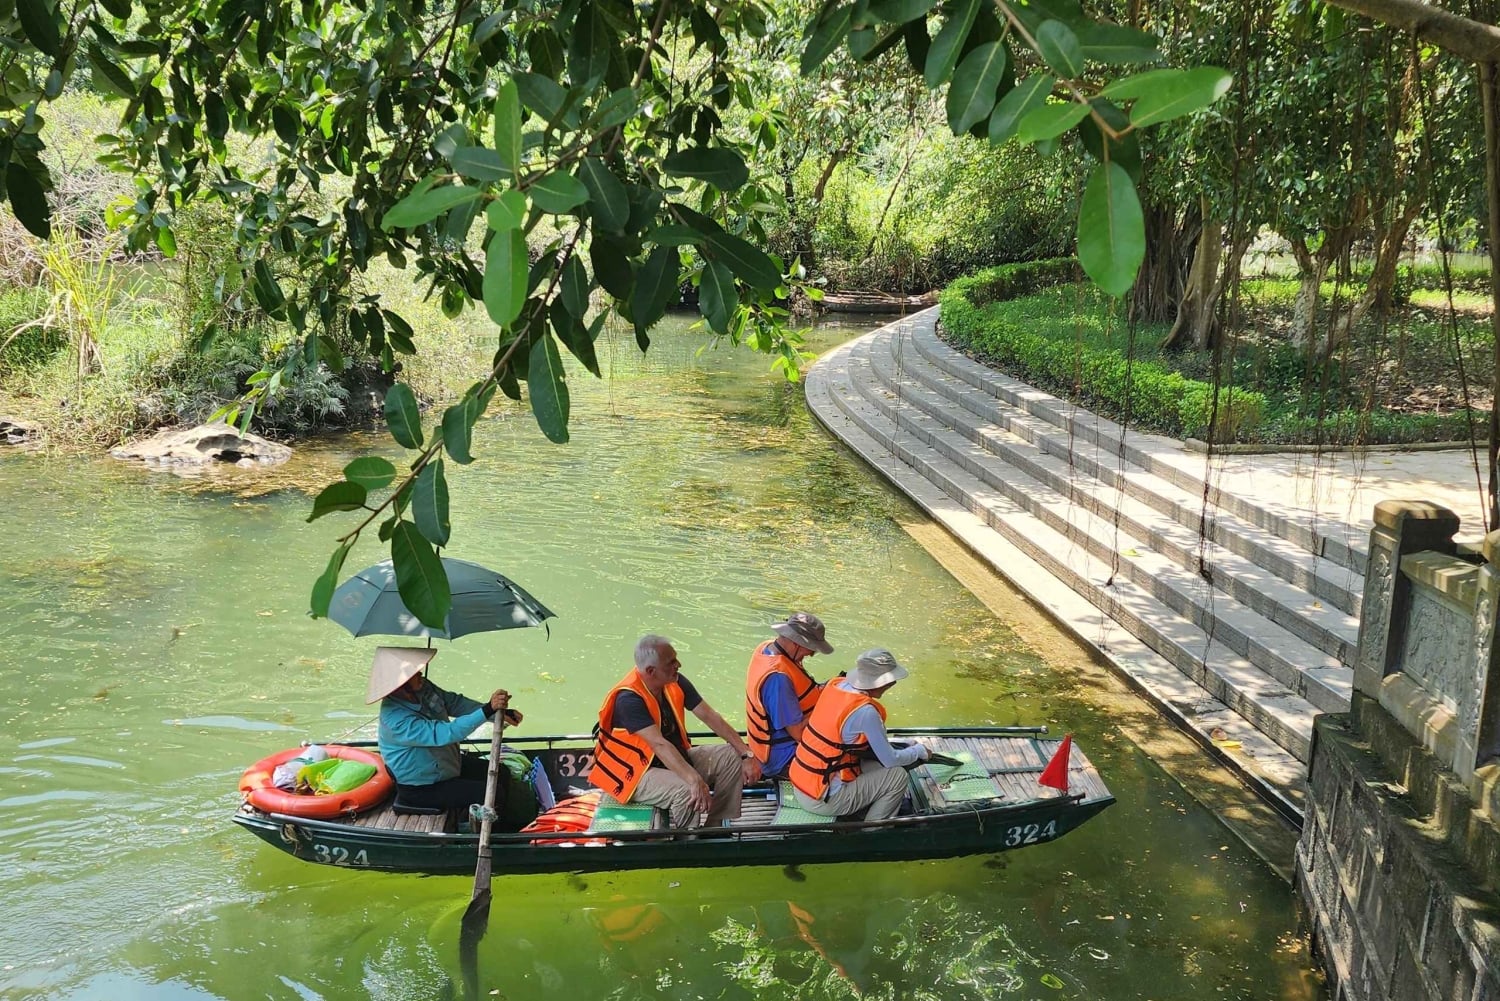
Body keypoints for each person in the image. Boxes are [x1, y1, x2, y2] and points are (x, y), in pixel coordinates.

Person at [588, 634, 762, 828]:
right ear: (651, 671)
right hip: (635, 774)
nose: (678, 665)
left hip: (670, 760)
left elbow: (709, 715)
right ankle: (689, 839)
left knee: (732, 754)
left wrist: (746, 753)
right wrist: (694, 779)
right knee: (687, 788)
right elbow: (659, 744)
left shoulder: (674, 681)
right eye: (671, 663)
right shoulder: (629, 700)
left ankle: (714, 827)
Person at [367, 645, 523, 815]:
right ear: (400, 683)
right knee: (494, 794)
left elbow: (454, 703)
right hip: (423, 786)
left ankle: (504, 821)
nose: (420, 673)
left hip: (448, 763)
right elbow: (446, 733)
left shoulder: (422, 687)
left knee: (503, 773)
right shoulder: (396, 720)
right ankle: (493, 834)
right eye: (413, 673)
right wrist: (487, 710)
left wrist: (495, 713)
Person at [787, 648, 928, 821]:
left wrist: (903, 742)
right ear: (880, 682)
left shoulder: (837, 687)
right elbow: (890, 759)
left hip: (803, 786)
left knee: (878, 767)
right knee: (897, 776)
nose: (893, 685)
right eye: (891, 680)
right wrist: (919, 751)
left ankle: (866, 809)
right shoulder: (865, 711)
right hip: (823, 799)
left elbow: (842, 740)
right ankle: (873, 829)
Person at [744, 611, 832, 778]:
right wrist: (830, 706)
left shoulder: (767, 647)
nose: (812, 654)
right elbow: (798, 733)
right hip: (782, 758)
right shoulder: (778, 680)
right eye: (811, 648)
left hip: (772, 747)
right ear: (796, 643)